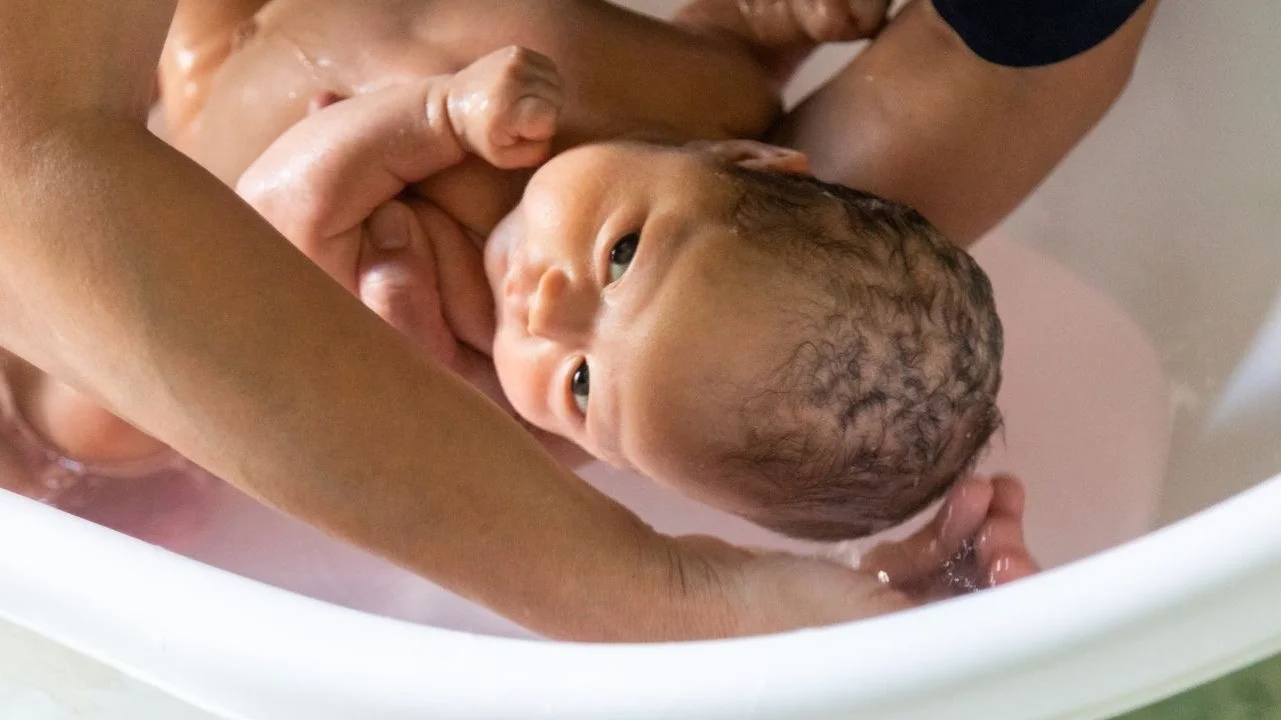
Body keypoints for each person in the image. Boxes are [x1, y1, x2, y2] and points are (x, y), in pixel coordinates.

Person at [0, 0, 1154, 640]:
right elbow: (728, 31)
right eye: (624, 251)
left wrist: (429, 123)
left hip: (167, 149)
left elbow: (251, 224)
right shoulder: (704, 96)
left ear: (585, 453)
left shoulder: (446, 353)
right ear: (741, 158)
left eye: (586, 390)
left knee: (94, 414)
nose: (551, 305)